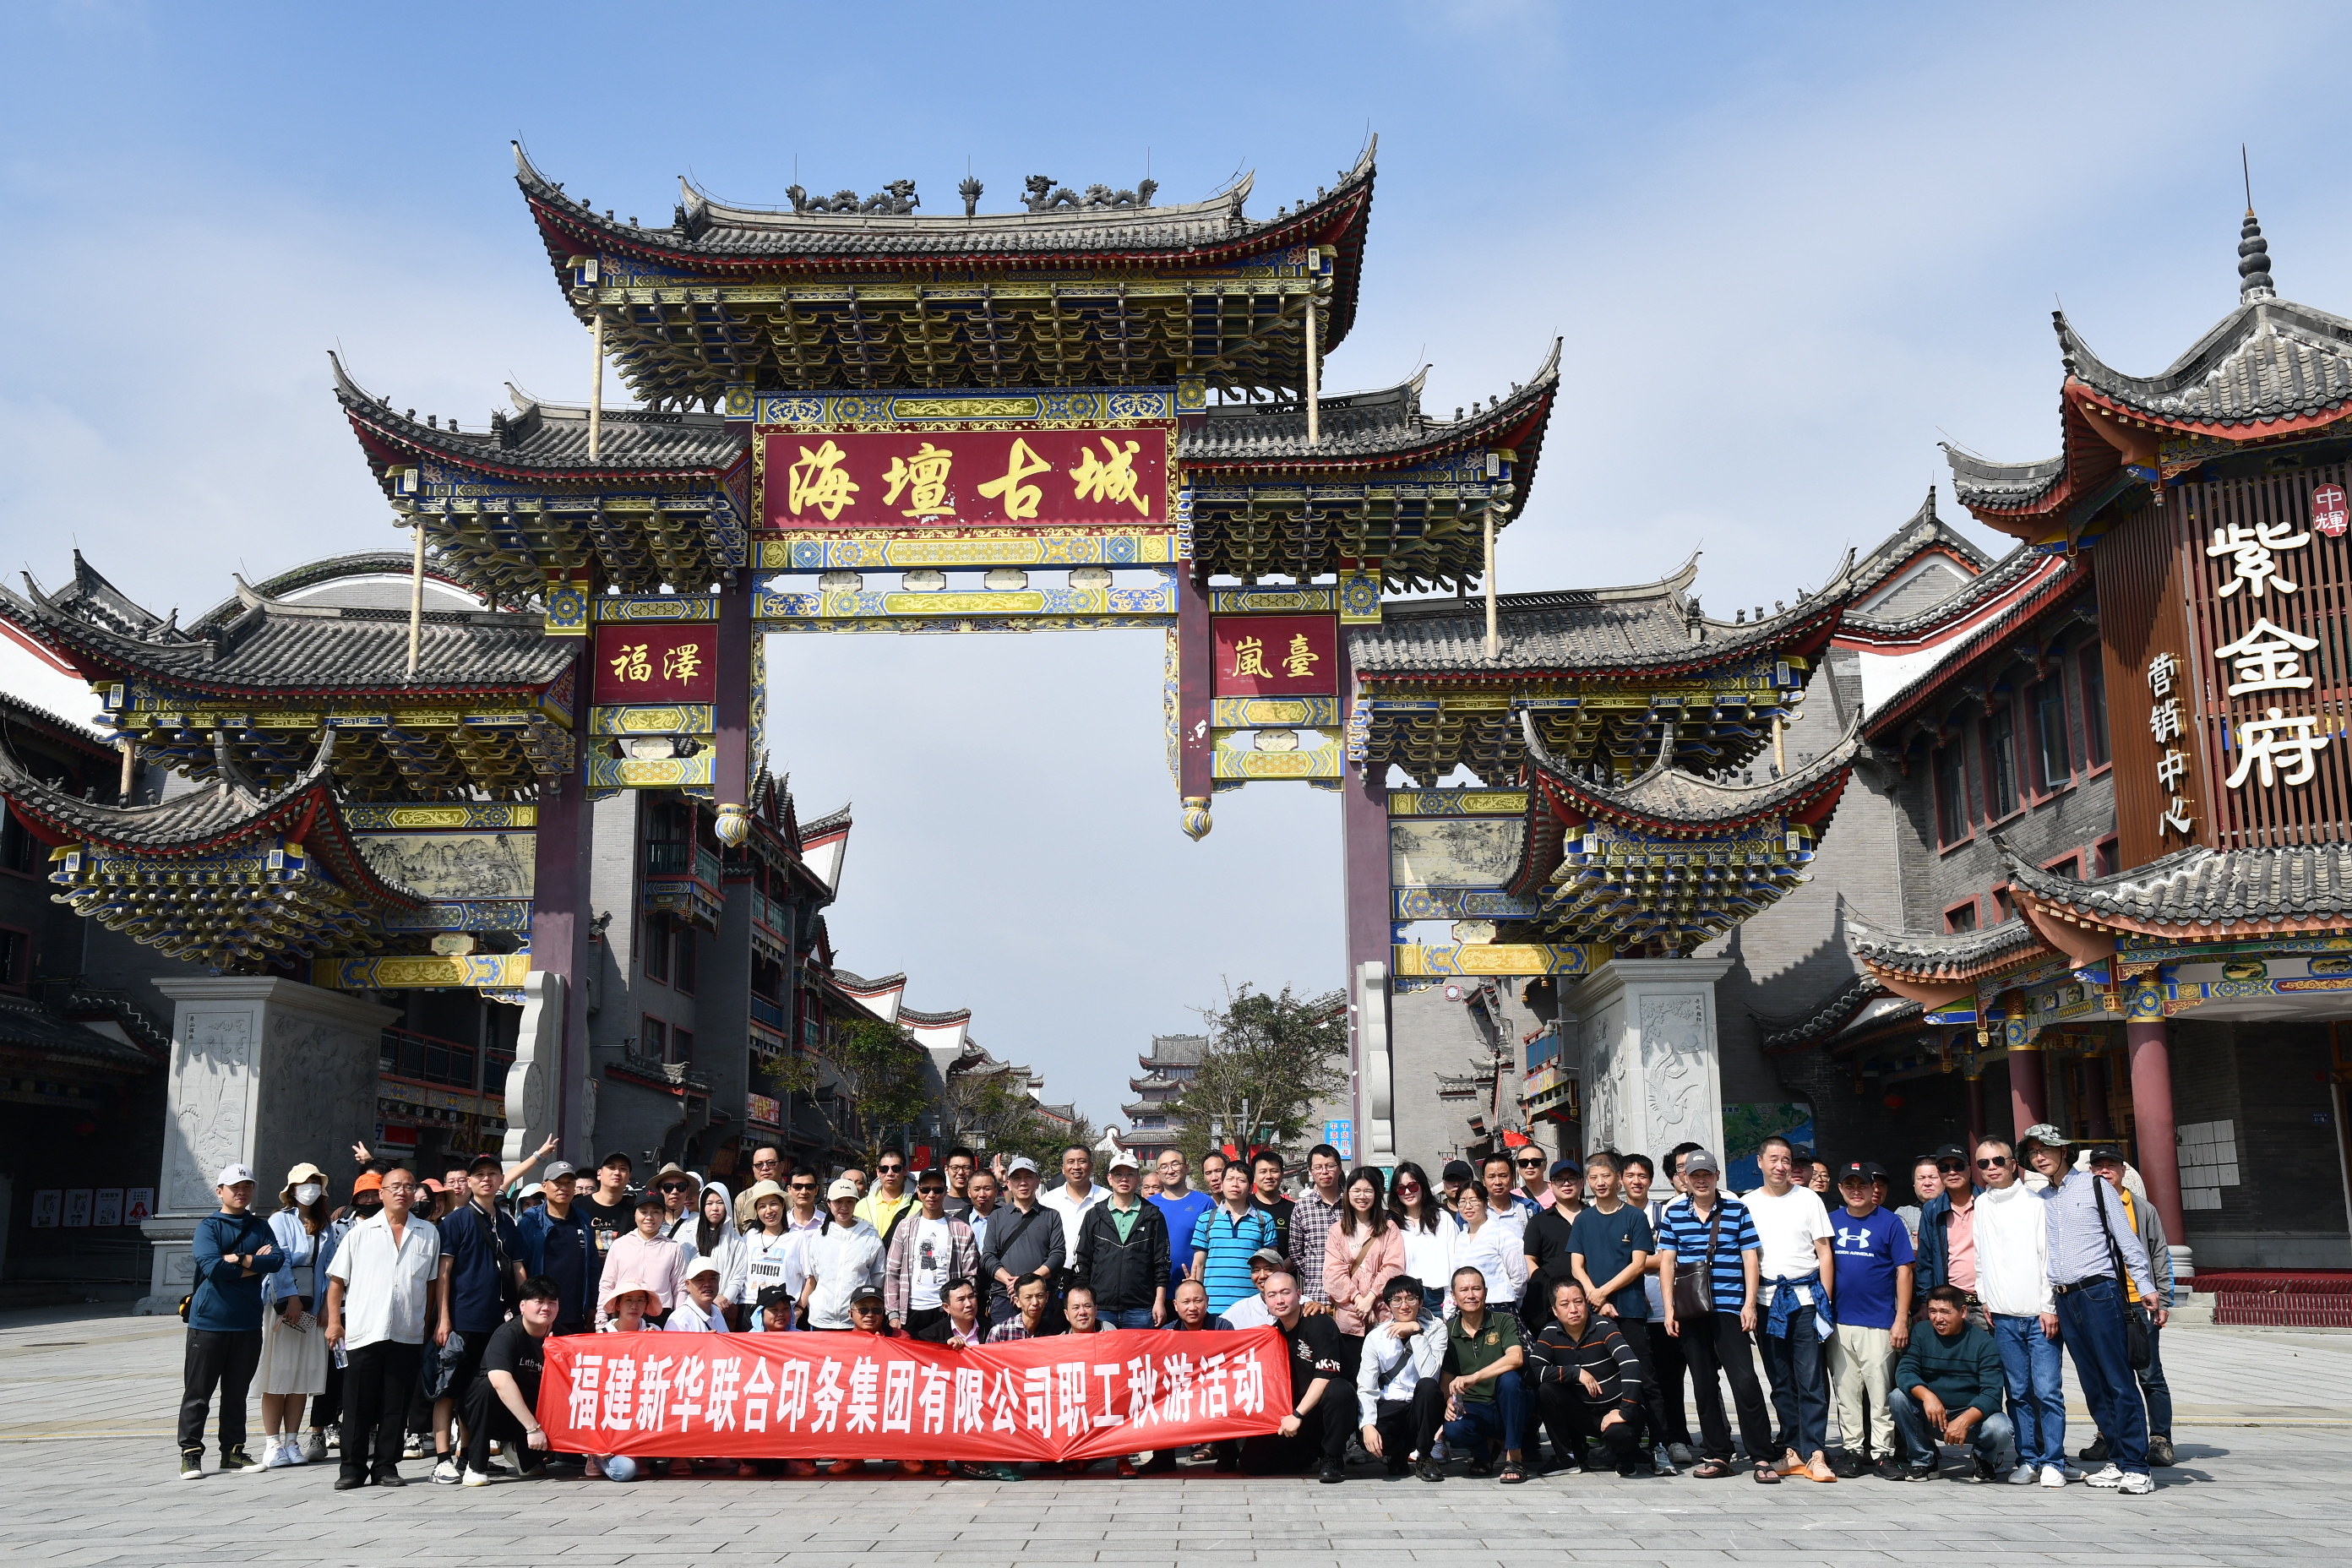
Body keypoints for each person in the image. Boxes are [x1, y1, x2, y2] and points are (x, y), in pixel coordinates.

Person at [2036, 1133, 2158, 1494]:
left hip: (2098, 1292)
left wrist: (2146, 1285)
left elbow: (2126, 1239)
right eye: (2033, 1152)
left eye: (2045, 1150)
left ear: (2064, 1151)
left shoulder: (2095, 1186)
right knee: (2092, 1384)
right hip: (2064, 1298)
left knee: (2118, 1380)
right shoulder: (2042, 1198)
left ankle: (2138, 1467)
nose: (2039, 1157)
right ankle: (2118, 1460)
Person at [1654, 1147, 1776, 1483]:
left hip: (1730, 1307)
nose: (1701, 1180)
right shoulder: (1674, 1214)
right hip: (1691, 1310)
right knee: (1704, 1383)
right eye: (1694, 1175)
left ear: (1717, 1176)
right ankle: (1718, 1453)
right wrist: (1669, 1309)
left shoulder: (1737, 1210)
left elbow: (1750, 1258)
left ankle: (1761, 1455)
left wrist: (1749, 1304)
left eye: (1706, 1174)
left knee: (1745, 1381)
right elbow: (1667, 1262)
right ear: (1685, 1179)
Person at [324, 1167, 449, 1490]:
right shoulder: (360, 1233)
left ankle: (386, 1466)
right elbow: (337, 1281)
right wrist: (335, 1323)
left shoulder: (427, 1233)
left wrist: (426, 1322)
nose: (402, 1192)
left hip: (407, 1331)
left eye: (409, 1186)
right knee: (357, 1404)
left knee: (396, 1404)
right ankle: (351, 1468)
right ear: (382, 1193)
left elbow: (431, 1283)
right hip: (364, 1331)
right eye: (395, 1186)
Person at [1566, 1152, 1674, 1475]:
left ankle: (1660, 1446)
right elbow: (1577, 1266)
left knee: (1645, 1378)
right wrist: (1595, 1298)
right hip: (1594, 1314)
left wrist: (1604, 1292)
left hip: (1629, 1310)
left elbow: (1638, 1264)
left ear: (1617, 1179)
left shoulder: (1634, 1217)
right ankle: (1608, 1444)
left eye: (1606, 1176)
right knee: (1600, 1377)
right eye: (1594, 1178)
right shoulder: (1583, 1219)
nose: (1600, 1183)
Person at [1971, 1136, 2066, 1488]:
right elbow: (1980, 1255)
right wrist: (1986, 1298)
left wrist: (2048, 1306)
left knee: (2048, 1391)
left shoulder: (2035, 1202)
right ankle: (2028, 1459)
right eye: (1984, 1163)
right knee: (2019, 1393)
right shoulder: (1982, 1204)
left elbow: (2047, 1257)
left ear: (2013, 1164)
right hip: (2002, 1315)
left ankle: (2054, 1460)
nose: (1992, 1167)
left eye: (1998, 1160)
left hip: (2038, 1315)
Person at [179, 1162, 282, 1478]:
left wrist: (238, 1259)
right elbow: (212, 1267)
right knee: (198, 1394)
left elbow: (277, 1260)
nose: (242, 1192)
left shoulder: (260, 1226)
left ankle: (233, 1453)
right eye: (235, 1187)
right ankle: (191, 1454)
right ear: (220, 1191)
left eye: (247, 1186)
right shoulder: (209, 1227)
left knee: (236, 1394)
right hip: (209, 1322)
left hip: (248, 1322)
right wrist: (254, 1265)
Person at [1745, 1134, 1837, 1483]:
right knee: (1780, 1380)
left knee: (1811, 1380)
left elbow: (1824, 1251)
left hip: (1806, 1300)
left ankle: (1816, 1452)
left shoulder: (1809, 1199)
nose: (1781, 1166)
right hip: (1767, 1301)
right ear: (1760, 1162)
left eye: (1786, 1160)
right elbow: (1746, 1257)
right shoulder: (1748, 1203)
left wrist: (1825, 1301)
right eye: (1774, 1159)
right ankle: (1792, 1450)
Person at [431, 1151, 526, 1484]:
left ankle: (469, 1454)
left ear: (501, 1180)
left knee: (479, 1390)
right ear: (469, 1182)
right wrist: (443, 1319)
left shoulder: (507, 1223)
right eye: (479, 1175)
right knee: (449, 1388)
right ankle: (442, 1458)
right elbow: (444, 1273)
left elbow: (519, 1269)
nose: (486, 1179)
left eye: (492, 1174)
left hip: (497, 1321)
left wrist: (526, 1311)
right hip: (463, 1319)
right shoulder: (455, 1221)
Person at [2080, 1146, 2177, 1471]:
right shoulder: (2084, 1205)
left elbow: (2159, 1252)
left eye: (2111, 1166)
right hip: (2099, 1303)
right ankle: (2109, 1436)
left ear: (2123, 1171)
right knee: (2106, 1374)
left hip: (2138, 1303)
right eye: (2098, 1167)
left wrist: (2163, 1297)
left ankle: (2160, 1438)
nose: (2104, 1171)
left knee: (2149, 1373)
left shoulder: (2142, 1209)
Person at [1825, 1160, 1914, 1479]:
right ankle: (1852, 1450)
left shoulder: (1890, 1222)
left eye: (1862, 1185)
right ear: (1840, 1189)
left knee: (1880, 1394)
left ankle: (1883, 1453)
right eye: (1849, 1185)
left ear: (1872, 1188)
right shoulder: (1831, 1221)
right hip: (1839, 1322)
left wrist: (1900, 1319)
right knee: (1847, 1392)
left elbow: (1905, 1271)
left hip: (1879, 1322)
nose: (1856, 1191)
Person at [1891, 1285, 2017, 1481]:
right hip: (1933, 1415)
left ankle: (1984, 1458)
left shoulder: (1984, 1343)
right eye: (1933, 1311)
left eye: (1945, 1312)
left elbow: (1992, 1394)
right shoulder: (1921, 1332)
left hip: (1971, 1419)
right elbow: (1905, 1371)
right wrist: (1928, 1396)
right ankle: (1923, 1460)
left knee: (2002, 1428)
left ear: (1963, 1311)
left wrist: (1964, 1420)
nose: (1938, 1318)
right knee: (1898, 1397)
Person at [1527, 1279, 1647, 1476]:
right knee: (1546, 1390)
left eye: (1578, 1302)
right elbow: (1532, 1372)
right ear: (1555, 1311)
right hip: (1585, 1413)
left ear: (1586, 1303)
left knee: (1620, 1434)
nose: (1573, 1309)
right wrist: (1574, 1372)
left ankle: (1625, 1458)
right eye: (1565, 1304)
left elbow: (1631, 1364)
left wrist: (1624, 1412)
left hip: (1616, 1410)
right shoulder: (1550, 1333)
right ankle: (1566, 1458)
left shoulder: (1604, 1326)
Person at [1240, 1270, 1350, 1482]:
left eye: (1285, 1292)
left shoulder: (1319, 1322)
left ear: (1299, 1295)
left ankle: (1332, 1457)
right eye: (1272, 1295)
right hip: (1295, 1414)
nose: (1279, 1300)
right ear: (1266, 1301)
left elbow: (1325, 1376)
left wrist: (1297, 1415)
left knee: (1338, 1389)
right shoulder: (1273, 1333)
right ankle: (1310, 1454)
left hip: (1325, 1410)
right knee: (1251, 1462)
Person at [258, 1162, 333, 1467]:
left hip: (314, 1303)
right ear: (292, 1189)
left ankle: (292, 1440)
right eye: (304, 1184)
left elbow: (330, 1267)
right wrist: (290, 1298)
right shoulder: (280, 1220)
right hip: (284, 1303)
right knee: (278, 1373)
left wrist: (327, 1305)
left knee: (302, 1375)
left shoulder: (325, 1223)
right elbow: (280, 1261)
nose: (309, 1189)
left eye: (315, 1183)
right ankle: (272, 1442)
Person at [1630, 1149, 1698, 1467]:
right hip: (1628, 1310)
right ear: (1620, 1180)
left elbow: (1673, 1257)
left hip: (1663, 1309)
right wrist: (1649, 1262)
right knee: (1636, 1379)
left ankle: (1676, 1438)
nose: (1636, 1181)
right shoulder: (1613, 1214)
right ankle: (1643, 1437)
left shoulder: (1664, 1212)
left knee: (1670, 1380)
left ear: (1651, 1179)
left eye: (1642, 1176)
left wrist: (1634, 1263)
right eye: (1630, 1175)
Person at [458, 1274, 560, 1486]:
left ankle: (519, 1452)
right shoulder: (507, 1335)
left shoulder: (562, 1337)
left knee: (532, 1468)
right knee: (486, 1386)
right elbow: (500, 1381)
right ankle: (475, 1466)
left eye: (552, 1302)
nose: (546, 1307)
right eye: (539, 1301)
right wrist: (533, 1429)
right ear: (522, 1306)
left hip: (533, 1411)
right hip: (492, 1413)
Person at [1437, 1265, 1529, 1482]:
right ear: (1454, 1296)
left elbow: (1516, 1358)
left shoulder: (1503, 1320)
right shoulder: (1448, 1331)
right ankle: (1484, 1454)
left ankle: (1514, 1457)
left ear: (1485, 1292)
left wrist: (1475, 1377)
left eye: (1476, 1289)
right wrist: (1449, 1402)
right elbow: (1445, 1382)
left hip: (1507, 1405)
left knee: (1510, 1380)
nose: (1470, 1295)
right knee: (1454, 1429)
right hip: (1474, 1408)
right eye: (1464, 1290)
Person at [1357, 1275, 1447, 1481]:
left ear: (1421, 1302)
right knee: (1369, 1436)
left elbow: (1429, 1373)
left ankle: (1424, 1456)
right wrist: (1367, 1425)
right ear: (1389, 1305)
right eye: (1396, 1300)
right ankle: (1397, 1455)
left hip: (1420, 1406)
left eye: (1410, 1299)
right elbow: (1366, 1386)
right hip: (1390, 1405)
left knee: (1428, 1387)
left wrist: (1417, 1332)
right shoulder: (1376, 1337)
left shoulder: (1436, 1329)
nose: (1404, 1306)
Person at [1073, 1149, 1170, 1328]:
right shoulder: (1095, 1214)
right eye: (1118, 1174)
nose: (1124, 1179)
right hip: (1101, 1307)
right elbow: (1082, 1260)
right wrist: (1085, 1303)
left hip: (1141, 1308)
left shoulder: (1153, 1215)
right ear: (1110, 1179)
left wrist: (1159, 1301)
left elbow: (1162, 1263)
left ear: (1138, 1178)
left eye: (1130, 1174)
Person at [887, 1166, 980, 1335]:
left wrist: (963, 1310)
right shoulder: (905, 1227)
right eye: (926, 1190)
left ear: (945, 1191)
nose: (931, 1195)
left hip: (946, 1312)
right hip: (910, 1311)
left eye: (937, 1190)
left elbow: (970, 1276)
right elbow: (892, 1272)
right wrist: (893, 1313)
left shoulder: (962, 1230)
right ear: (918, 1191)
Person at [980, 1155, 1067, 1326]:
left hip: (1041, 1299)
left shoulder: (1051, 1216)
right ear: (1008, 1184)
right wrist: (1009, 1281)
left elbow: (1058, 1255)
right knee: (1006, 1343)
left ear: (1037, 1181)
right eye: (1017, 1178)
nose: (1023, 1182)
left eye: (1028, 1177)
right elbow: (988, 1256)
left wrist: (1027, 1282)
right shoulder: (997, 1217)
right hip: (1005, 1297)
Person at [514, 1160, 597, 1337]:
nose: (563, 1188)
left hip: (575, 1312)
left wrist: (592, 1305)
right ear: (544, 1186)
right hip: (540, 1312)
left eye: (569, 1183)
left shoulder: (583, 1220)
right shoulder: (530, 1222)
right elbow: (519, 1267)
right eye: (557, 1182)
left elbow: (592, 1264)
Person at [585, 1282, 658, 1482]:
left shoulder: (655, 1332)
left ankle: (641, 1454)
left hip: (643, 1410)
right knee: (625, 1471)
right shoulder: (601, 1337)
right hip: (611, 1416)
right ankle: (595, 1455)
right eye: (628, 1300)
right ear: (617, 1304)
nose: (634, 1306)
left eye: (640, 1301)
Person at [1325, 1168, 1404, 1342]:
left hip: (1383, 1316)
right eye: (1357, 1191)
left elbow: (1394, 1267)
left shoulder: (1390, 1228)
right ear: (1347, 1193)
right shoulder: (1337, 1231)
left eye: (1368, 1191)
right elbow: (1333, 1272)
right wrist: (1358, 1299)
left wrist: (1371, 1298)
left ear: (1376, 1194)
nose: (1362, 1196)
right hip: (1349, 1318)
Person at [1190, 1160, 1279, 1315]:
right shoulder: (1206, 1219)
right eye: (1230, 1179)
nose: (1235, 1184)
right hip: (1213, 1307)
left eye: (1241, 1180)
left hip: (1252, 1308)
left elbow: (1273, 1266)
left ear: (1250, 1188)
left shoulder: (1264, 1220)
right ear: (1223, 1184)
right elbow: (1199, 1264)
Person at [802, 1176, 886, 1331]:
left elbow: (878, 1276)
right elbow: (814, 1275)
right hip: (821, 1318)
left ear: (856, 1203)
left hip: (856, 1321)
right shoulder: (819, 1236)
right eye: (838, 1202)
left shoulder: (870, 1235)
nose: (844, 1207)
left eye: (850, 1201)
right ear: (829, 1203)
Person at [1916, 1143, 1985, 1329]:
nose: (1952, 1172)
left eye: (1958, 1166)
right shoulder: (1932, 1209)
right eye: (1945, 1168)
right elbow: (1925, 1261)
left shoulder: (1987, 1202)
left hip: (1988, 1303)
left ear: (1970, 1169)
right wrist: (1925, 1302)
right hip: (1949, 1304)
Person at [595, 1191, 688, 1327]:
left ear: (663, 1216)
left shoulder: (673, 1248)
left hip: (661, 1316)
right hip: (624, 1316)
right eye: (643, 1212)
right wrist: (601, 1321)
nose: (649, 1217)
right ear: (635, 1215)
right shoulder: (620, 1245)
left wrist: (680, 1323)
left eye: (656, 1212)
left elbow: (680, 1288)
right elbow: (607, 1284)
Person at [1523, 1158, 1588, 1323]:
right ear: (1551, 1186)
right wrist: (1549, 1286)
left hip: (1592, 1298)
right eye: (1559, 1180)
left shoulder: (1594, 1217)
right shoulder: (1539, 1222)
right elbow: (1529, 1259)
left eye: (1572, 1178)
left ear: (1582, 1183)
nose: (1566, 1184)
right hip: (1551, 1305)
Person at [676, 1182, 748, 1325]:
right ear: (702, 1207)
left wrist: (724, 1300)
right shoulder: (691, 1239)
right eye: (709, 1203)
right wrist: (712, 1298)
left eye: (720, 1203)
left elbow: (738, 1277)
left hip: (727, 1309)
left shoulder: (737, 1241)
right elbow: (686, 1274)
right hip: (696, 1308)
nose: (715, 1208)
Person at [1390, 1162, 1456, 1318]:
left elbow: (1454, 1260)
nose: (1407, 1192)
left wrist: (1450, 1301)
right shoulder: (1392, 1224)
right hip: (1404, 1299)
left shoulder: (1442, 1218)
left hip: (1437, 1298)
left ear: (1422, 1185)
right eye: (1401, 1189)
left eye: (1412, 1186)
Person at [1288, 1144, 1348, 1311]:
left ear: (1339, 1168)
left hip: (1351, 1297)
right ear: (1311, 1171)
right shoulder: (1302, 1207)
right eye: (1318, 1167)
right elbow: (1296, 1253)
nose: (1324, 1172)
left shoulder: (1352, 1203)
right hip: (1316, 1298)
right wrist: (1314, 1272)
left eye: (1330, 1166)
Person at [1451, 1184, 1527, 1315]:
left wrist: (1507, 1299)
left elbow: (1519, 1277)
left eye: (1474, 1201)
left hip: (1498, 1307)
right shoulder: (1460, 1238)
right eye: (1462, 1201)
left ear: (1486, 1203)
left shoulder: (1502, 1234)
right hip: (1466, 1309)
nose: (1468, 1206)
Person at [1150, 1149, 1215, 1299]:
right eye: (1164, 1167)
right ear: (1158, 1173)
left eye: (1175, 1164)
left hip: (1193, 1291)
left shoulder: (1205, 1203)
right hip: (1156, 1292)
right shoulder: (1149, 1205)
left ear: (1186, 1168)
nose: (1170, 1170)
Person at [1041, 1143, 1108, 1269]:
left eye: (1082, 1161)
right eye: (1071, 1162)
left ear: (1091, 1166)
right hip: (1057, 1274)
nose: (1076, 1167)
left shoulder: (1106, 1199)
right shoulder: (1048, 1201)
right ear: (1063, 1168)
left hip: (1096, 1273)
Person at [1216, 1248, 1291, 1331]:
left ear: (1284, 1272)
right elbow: (1215, 1330)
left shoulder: (1300, 1305)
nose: (1262, 1276)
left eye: (1269, 1269)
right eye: (1256, 1270)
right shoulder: (1241, 1310)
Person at [855, 1149, 917, 1250]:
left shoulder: (918, 1207)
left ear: (905, 1170)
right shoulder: (861, 1206)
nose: (890, 1173)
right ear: (878, 1172)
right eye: (884, 1169)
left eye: (896, 1168)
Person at [580, 1152, 636, 1259]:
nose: (617, 1172)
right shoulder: (577, 1206)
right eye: (611, 1167)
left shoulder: (634, 1213)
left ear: (629, 1177)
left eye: (623, 1169)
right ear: (599, 1174)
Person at [914, 1277, 987, 1347]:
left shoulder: (990, 1330)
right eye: (961, 1299)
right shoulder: (929, 1336)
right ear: (946, 1307)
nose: (969, 1304)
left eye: (971, 1297)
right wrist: (945, 1346)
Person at [733, 1145, 792, 1229]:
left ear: (782, 1165)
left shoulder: (794, 1195)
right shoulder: (742, 1199)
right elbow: (739, 1233)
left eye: (771, 1163)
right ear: (753, 1168)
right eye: (759, 1164)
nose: (765, 1168)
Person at [1250, 1150, 1296, 1259]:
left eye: (1274, 1171)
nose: (1269, 1176)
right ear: (1254, 1176)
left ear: (1282, 1174)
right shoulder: (1245, 1206)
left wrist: (1281, 1268)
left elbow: (1297, 1249)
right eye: (1263, 1172)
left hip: (1285, 1269)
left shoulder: (1294, 1210)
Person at [667, 1256, 729, 1331]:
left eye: (712, 1278)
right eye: (700, 1279)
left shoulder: (717, 1312)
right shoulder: (679, 1320)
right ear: (688, 1285)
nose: (707, 1284)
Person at [988, 1273, 1053, 1341]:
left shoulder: (1054, 1332)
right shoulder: (1000, 1333)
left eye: (1040, 1296)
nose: (1035, 1303)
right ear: (1017, 1301)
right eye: (1028, 1297)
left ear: (1047, 1297)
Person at [1894, 1156, 1941, 1246]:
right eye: (1921, 1178)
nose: (1927, 1183)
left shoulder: (1956, 1210)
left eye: (1933, 1177)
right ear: (1914, 1185)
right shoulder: (1904, 1214)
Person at [1515, 1145, 1556, 1210]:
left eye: (1535, 1162)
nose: (1530, 1166)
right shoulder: (1511, 1197)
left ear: (1545, 1165)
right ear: (1518, 1167)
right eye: (1523, 1163)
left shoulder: (1558, 1190)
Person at [942, 1146, 977, 1218]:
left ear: (974, 1169)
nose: (961, 1172)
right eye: (955, 1168)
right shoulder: (937, 1204)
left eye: (966, 1168)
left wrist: (1002, 1183)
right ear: (946, 1169)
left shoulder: (981, 1202)